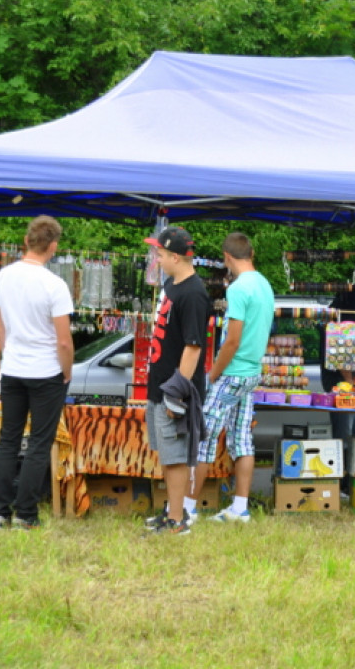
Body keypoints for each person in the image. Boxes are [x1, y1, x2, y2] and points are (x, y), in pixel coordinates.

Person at [0, 216, 74, 530]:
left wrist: (8, 354)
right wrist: (67, 371)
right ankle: (25, 513)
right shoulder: (55, 285)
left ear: (26, 241)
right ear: (53, 247)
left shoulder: (3, 276)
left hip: (13, 367)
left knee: (8, 439)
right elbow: (63, 340)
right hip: (46, 369)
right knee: (39, 441)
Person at [189, 232, 274, 523]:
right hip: (251, 372)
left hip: (232, 372)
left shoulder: (238, 289)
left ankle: (187, 508)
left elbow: (232, 341)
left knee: (203, 438)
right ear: (251, 254)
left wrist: (213, 373)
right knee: (242, 440)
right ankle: (240, 508)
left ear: (227, 257)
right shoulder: (264, 284)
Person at [141, 226, 210, 535]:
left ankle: (178, 521)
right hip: (159, 384)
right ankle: (172, 511)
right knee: (167, 455)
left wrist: (177, 393)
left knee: (176, 456)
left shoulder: (194, 293)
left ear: (176, 257)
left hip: (175, 389)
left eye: (161, 254)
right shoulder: (172, 284)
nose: (157, 259)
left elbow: (193, 347)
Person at [319, 270, 355, 494]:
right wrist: (349, 381)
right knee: (345, 433)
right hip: (341, 381)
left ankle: (350, 480)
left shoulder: (349, 299)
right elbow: (342, 341)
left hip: (343, 379)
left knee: (352, 431)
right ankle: (342, 483)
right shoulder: (351, 302)